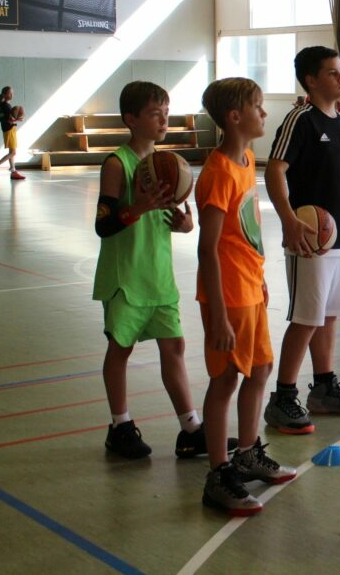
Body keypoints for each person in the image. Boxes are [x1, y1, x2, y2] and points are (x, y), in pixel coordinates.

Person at [92, 81, 208, 459]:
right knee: (120, 348)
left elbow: (169, 219)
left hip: (159, 275)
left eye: (166, 112)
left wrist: (184, 225)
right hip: (125, 276)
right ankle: (120, 425)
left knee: (174, 347)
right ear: (131, 119)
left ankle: (191, 429)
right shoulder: (117, 163)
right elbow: (103, 225)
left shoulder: (166, 165)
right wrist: (138, 207)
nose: (164, 120)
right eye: (155, 113)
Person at [197, 77, 296, 516]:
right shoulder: (218, 172)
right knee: (225, 380)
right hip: (228, 296)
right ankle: (218, 474)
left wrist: (260, 277)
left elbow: (246, 231)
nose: (264, 112)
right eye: (258, 106)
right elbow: (208, 248)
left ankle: (248, 452)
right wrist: (218, 315)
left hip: (250, 287)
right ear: (235, 117)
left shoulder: (248, 159)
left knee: (261, 369)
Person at [263, 46, 340, 436]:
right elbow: (275, 170)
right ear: (311, 80)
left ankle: (324, 387)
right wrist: (289, 219)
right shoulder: (300, 120)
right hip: (309, 238)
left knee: (329, 315)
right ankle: (283, 397)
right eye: (333, 72)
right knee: (306, 317)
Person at [0, 86, 26, 180]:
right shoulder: (6, 106)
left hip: (8, 130)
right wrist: (18, 119)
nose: (12, 95)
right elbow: (8, 120)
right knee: (13, 152)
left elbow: (4, 119)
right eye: (10, 93)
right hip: (10, 130)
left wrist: (15, 119)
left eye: (12, 93)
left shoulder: (2, 105)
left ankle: (13, 171)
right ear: (4, 94)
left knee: (11, 152)